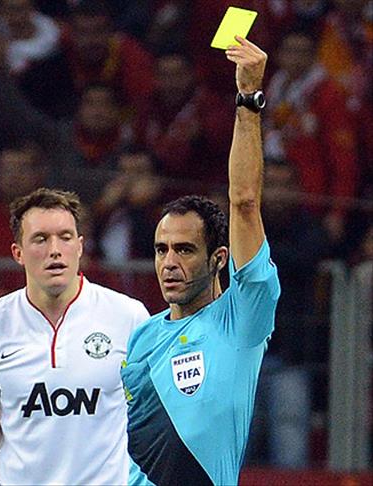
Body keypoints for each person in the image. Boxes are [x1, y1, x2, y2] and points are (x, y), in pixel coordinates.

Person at [120, 37, 280, 485]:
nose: (169, 262)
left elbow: (244, 202)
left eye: (185, 249)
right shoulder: (141, 338)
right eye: (162, 249)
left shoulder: (242, 319)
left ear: (219, 258)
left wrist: (247, 98)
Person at [0, 187, 150, 485]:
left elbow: (152, 426)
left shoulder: (129, 317)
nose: (55, 250)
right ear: (18, 253)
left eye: (65, 237)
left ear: (80, 246)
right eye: (41, 239)